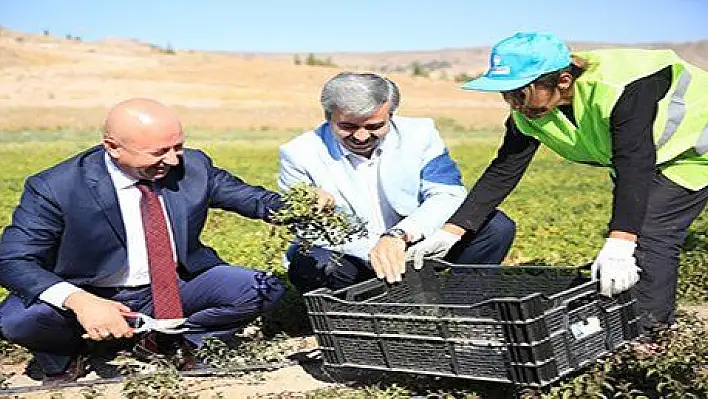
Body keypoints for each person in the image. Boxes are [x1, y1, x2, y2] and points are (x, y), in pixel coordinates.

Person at [0, 98, 323, 385]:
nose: (172, 160)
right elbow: (13, 260)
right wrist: (81, 301)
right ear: (112, 147)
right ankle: (68, 353)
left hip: (172, 285)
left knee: (259, 288)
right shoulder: (57, 186)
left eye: (177, 146)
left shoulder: (193, 166)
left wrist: (302, 206)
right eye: (158, 152)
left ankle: (169, 340)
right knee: (19, 320)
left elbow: (250, 198)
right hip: (91, 290)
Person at [407, 31, 708, 334]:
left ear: (563, 81)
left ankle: (649, 337)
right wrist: (451, 232)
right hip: (653, 158)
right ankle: (624, 324)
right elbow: (503, 171)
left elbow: (634, 162)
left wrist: (621, 242)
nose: (513, 104)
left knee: (649, 232)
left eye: (520, 93)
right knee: (633, 234)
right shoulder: (530, 113)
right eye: (505, 94)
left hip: (694, 154)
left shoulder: (621, 88)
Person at [278, 72, 516, 292]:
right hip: (354, 256)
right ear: (328, 118)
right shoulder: (299, 153)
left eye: (374, 126)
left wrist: (400, 236)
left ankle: (461, 303)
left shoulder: (420, 134)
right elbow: (309, 227)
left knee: (495, 226)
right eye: (348, 127)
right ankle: (360, 312)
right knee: (312, 261)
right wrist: (375, 250)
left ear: (390, 115)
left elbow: (447, 194)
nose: (361, 136)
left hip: (417, 246)